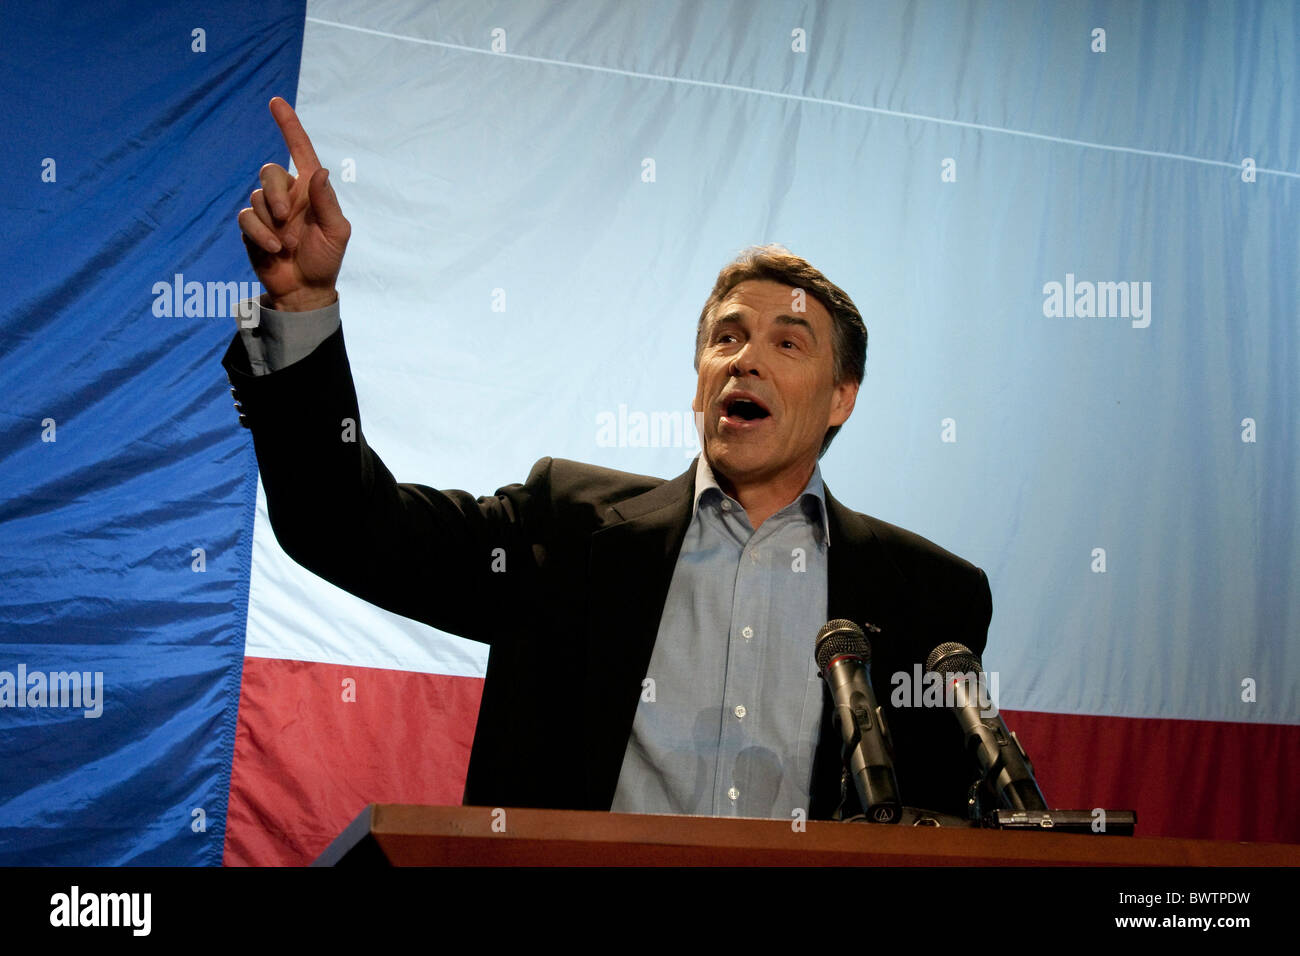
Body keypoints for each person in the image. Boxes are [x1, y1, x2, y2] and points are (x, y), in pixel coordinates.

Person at [224, 97, 993, 821]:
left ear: (840, 398)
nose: (744, 360)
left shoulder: (931, 597)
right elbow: (346, 527)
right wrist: (301, 307)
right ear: (700, 378)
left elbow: (948, 827)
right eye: (725, 338)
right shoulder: (567, 528)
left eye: (787, 344)